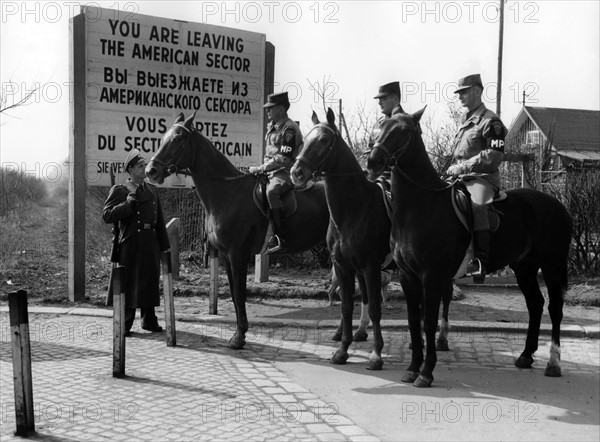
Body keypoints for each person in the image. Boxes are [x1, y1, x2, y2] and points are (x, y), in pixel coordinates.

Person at [446, 73, 507, 283]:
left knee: (478, 204)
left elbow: (494, 156)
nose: (460, 96)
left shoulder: (491, 122)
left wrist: (462, 166)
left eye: (464, 92)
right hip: (461, 178)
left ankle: (480, 261)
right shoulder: (465, 121)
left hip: (482, 179)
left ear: (478, 91)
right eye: (459, 93)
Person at [103, 148, 170, 336]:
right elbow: (107, 215)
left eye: (145, 165)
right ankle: (125, 323)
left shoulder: (152, 190)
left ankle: (149, 320)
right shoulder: (120, 190)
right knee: (129, 283)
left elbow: (160, 221)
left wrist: (164, 245)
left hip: (150, 242)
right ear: (131, 170)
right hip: (130, 243)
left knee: (149, 281)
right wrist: (127, 205)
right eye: (140, 166)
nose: (144, 169)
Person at [249, 92, 303, 252]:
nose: (267, 112)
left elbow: (285, 158)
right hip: (270, 172)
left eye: (270, 109)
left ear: (280, 109)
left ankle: (280, 236)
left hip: (286, 172)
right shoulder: (273, 127)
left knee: (272, 192)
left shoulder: (289, 129)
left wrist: (261, 168)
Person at [366, 81, 405, 181]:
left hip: (398, 179)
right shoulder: (377, 124)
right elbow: (369, 150)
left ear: (395, 99)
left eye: (383, 99)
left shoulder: (406, 123)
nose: (379, 102)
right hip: (374, 177)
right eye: (379, 99)